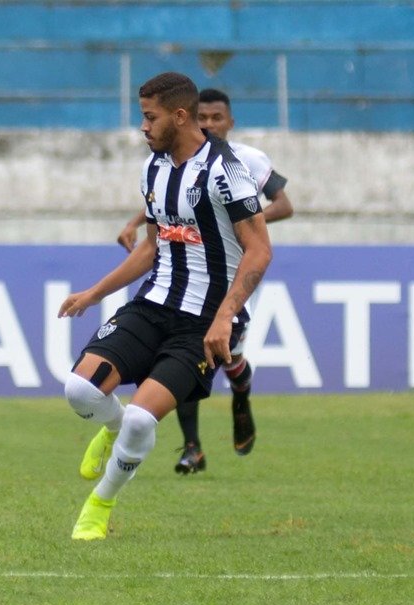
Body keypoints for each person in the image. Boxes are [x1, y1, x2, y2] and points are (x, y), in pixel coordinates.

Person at [58, 72, 272, 540]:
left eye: (149, 117)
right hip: (154, 304)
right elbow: (152, 248)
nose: (142, 127)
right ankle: (109, 429)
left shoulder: (226, 171)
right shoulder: (153, 168)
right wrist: (94, 293)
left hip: (204, 323)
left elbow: (259, 250)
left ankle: (100, 504)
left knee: (140, 416)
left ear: (179, 116)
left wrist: (224, 318)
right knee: (80, 391)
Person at [114, 87, 293, 475]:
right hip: (189, 281)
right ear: (192, 118)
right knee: (180, 357)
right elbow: (170, 200)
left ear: (230, 121)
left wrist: (235, 221)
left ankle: (241, 392)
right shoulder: (178, 158)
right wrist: (134, 223)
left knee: (228, 357)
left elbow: (284, 205)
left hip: (232, 273)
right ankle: (192, 446)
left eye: (218, 118)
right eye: (205, 118)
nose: (210, 123)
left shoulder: (245, 160)